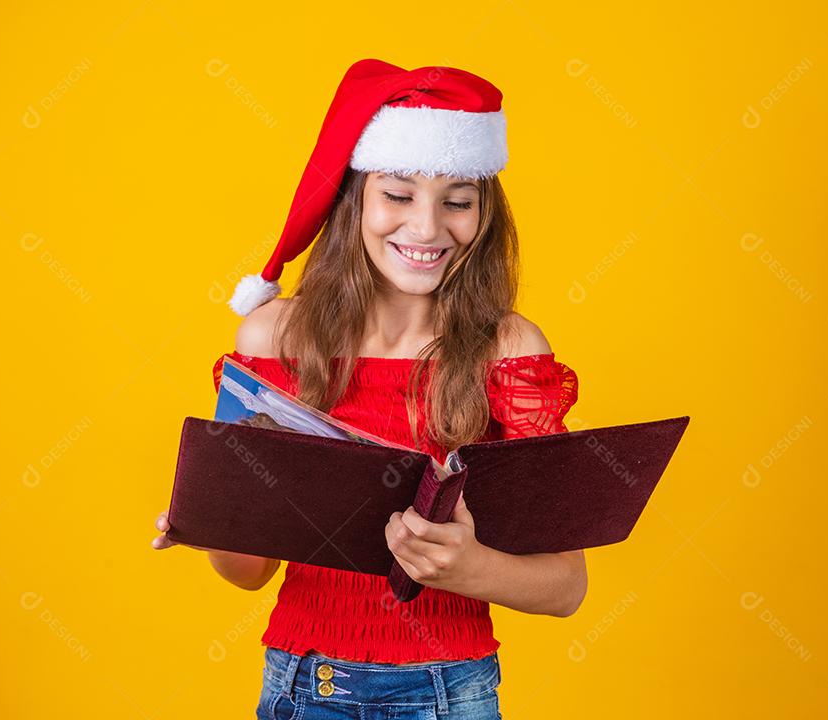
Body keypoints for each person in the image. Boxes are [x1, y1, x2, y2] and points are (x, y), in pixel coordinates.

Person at [151, 58, 585, 719]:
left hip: (451, 691)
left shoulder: (511, 351)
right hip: (309, 685)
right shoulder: (274, 340)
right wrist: (211, 518)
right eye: (399, 194)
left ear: (485, 213)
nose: (426, 227)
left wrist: (467, 569)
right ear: (355, 196)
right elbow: (247, 573)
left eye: (458, 201)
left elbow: (565, 585)